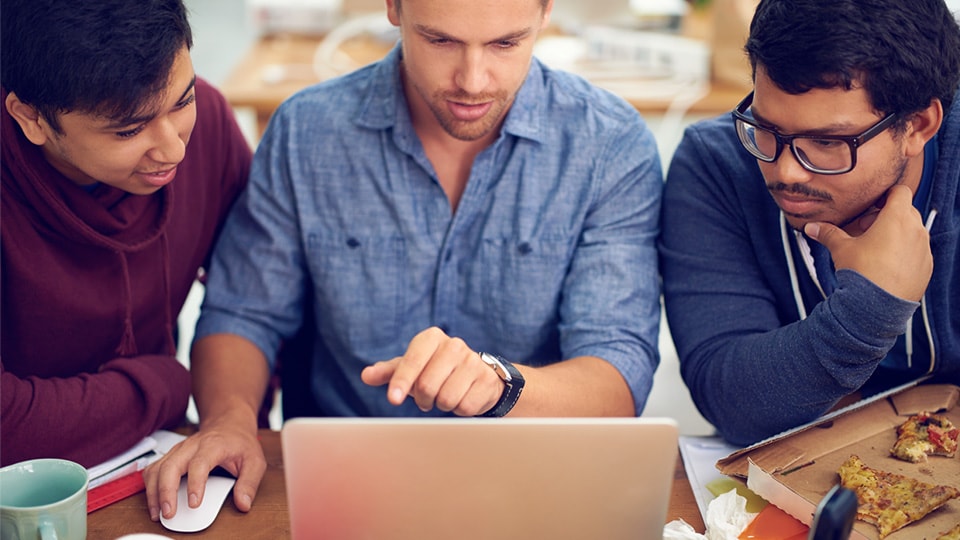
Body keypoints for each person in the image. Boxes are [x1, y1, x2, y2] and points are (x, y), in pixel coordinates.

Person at [144, 0, 664, 522]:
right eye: (441, 40)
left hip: (538, 482)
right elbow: (243, 314)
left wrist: (498, 386)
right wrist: (229, 421)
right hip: (343, 480)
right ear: (392, 8)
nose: (474, 81)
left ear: (547, 11)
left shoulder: (610, 145)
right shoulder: (306, 132)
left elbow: (617, 374)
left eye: (506, 43)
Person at [660, 0, 960, 446]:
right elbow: (730, 398)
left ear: (918, 126)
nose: (786, 172)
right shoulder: (717, 163)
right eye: (766, 128)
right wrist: (869, 311)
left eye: (825, 141)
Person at [1, 0, 251, 468]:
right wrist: (163, 384)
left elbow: (260, 301)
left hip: (158, 457)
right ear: (32, 118)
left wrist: (229, 415)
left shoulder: (211, 123)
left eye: (183, 101)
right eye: (129, 131)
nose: (174, 149)